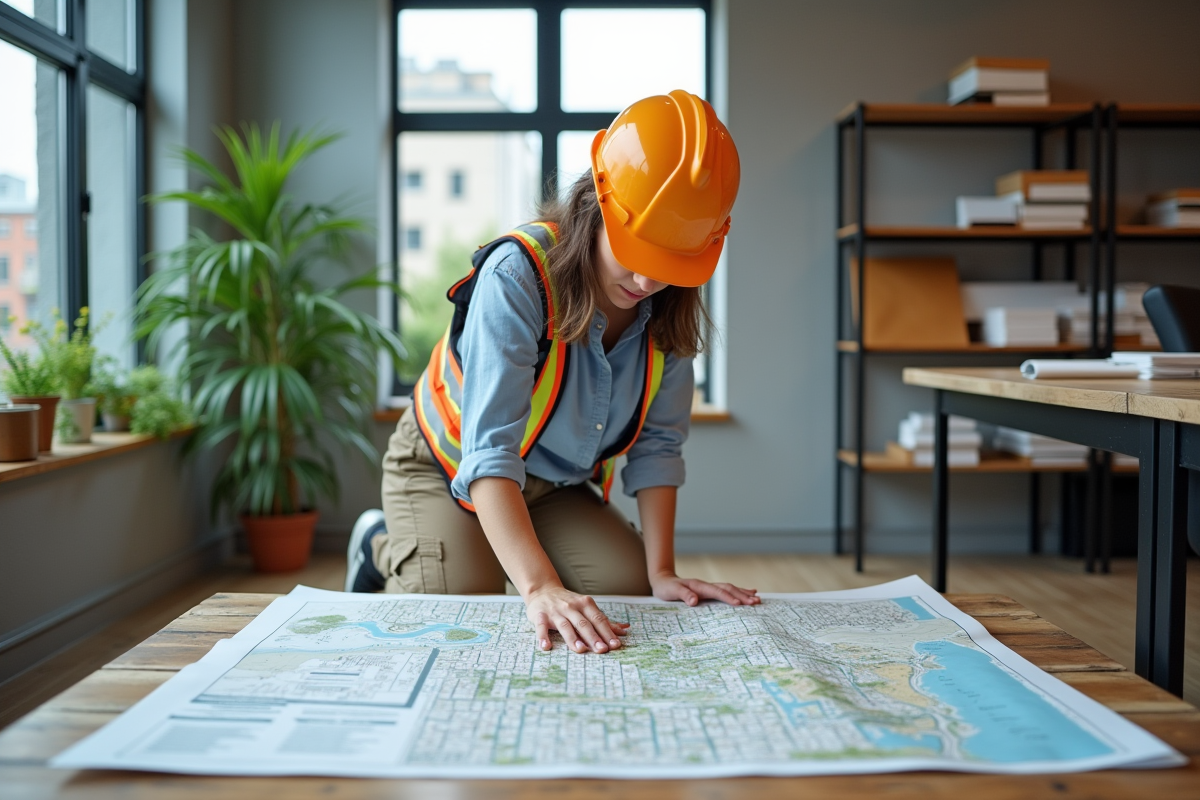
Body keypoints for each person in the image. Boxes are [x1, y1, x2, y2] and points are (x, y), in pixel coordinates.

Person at [345, 90, 757, 654]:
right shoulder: (519, 274)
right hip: (443, 465)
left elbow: (658, 446)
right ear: (598, 202)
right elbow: (489, 451)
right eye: (635, 252)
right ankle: (377, 543)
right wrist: (539, 586)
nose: (646, 283)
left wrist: (662, 572)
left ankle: (500, 545)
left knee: (629, 590)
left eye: (669, 265)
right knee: (463, 599)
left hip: (553, 482)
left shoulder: (669, 304)